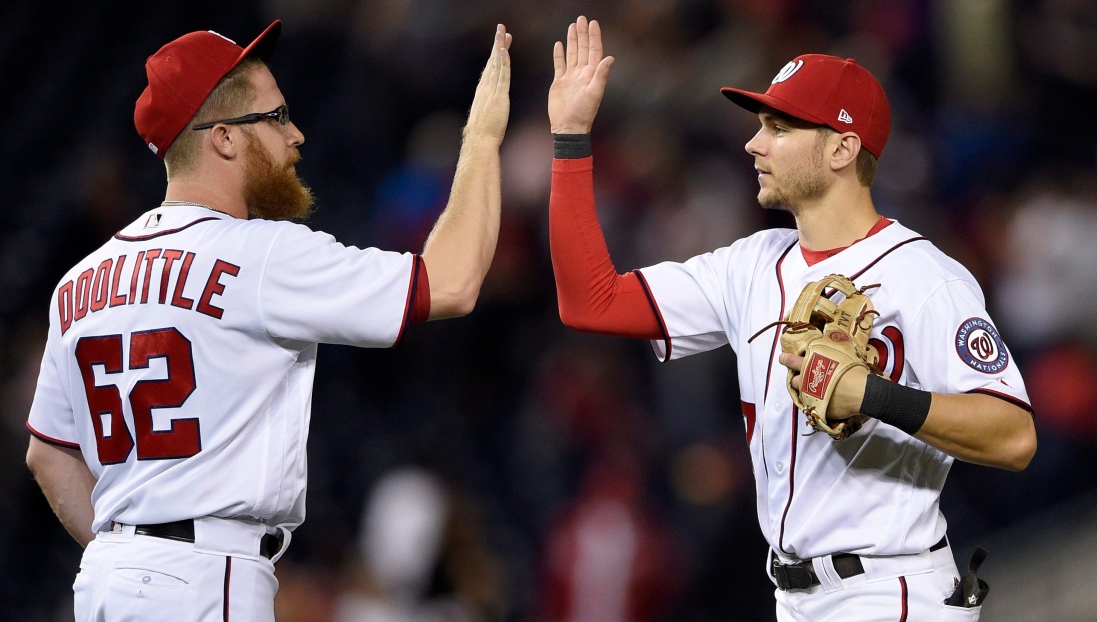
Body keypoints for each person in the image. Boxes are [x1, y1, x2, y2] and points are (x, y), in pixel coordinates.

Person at [546, 15, 1036, 621]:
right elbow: (590, 302)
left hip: (892, 590)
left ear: (841, 147)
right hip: (794, 596)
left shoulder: (924, 277)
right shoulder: (749, 265)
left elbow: (1015, 436)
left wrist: (875, 395)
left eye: (779, 128)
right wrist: (570, 138)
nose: (754, 144)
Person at [24, 19, 511, 621]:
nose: (297, 134)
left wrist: (130, 557)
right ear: (224, 138)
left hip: (104, 583)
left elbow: (48, 455)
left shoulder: (78, 282)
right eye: (276, 118)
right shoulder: (260, 254)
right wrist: (484, 135)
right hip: (208, 577)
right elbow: (455, 282)